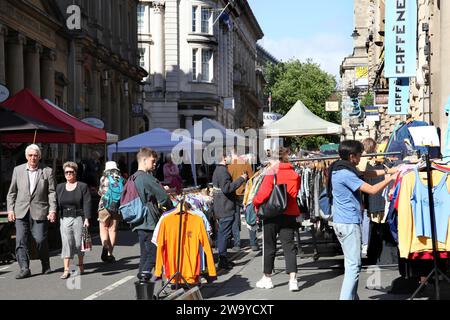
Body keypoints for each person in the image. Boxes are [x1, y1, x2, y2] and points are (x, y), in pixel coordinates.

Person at [328, 140, 398, 300]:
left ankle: (352, 297)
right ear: (352, 156)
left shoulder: (339, 168)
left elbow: (366, 174)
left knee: (350, 263)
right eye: (359, 155)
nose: (361, 158)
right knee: (353, 266)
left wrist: (388, 172)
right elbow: (372, 189)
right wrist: (391, 178)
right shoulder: (346, 173)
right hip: (348, 223)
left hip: (341, 221)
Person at [253, 147, 301, 292]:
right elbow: (295, 192)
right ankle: (293, 280)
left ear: (274, 159)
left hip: (272, 214)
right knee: (289, 246)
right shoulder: (295, 174)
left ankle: (267, 278)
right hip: (289, 213)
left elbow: (262, 195)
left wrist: (255, 204)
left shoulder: (271, 173)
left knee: (269, 246)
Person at [6, 144, 57, 279]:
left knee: (40, 239)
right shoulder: (18, 170)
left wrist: (52, 210)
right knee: (21, 240)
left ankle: (45, 264)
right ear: (26, 156)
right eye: (30, 155)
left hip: (40, 210)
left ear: (39, 157)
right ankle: (24, 268)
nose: (33, 158)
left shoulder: (47, 171)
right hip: (21, 210)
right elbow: (11, 192)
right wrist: (10, 209)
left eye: (35, 155)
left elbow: (51, 193)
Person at [132, 148, 174, 278]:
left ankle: (142, 290)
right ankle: (143, 281)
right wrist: (171, 209)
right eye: (153, 161)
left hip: (138, 220)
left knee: (145, 255)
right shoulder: (146, 178)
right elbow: (164, 198)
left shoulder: (133, 177)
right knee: (154, 255)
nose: (155, 163)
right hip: (149, 221)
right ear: (144, 160)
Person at [212, 147, 248, 270]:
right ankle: (222, 259)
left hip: (223, 206)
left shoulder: (220, 170)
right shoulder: (222, 171)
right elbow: (227, 188)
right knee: (224, 234)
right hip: (225, 207)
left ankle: (223, 258)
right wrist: (241, 179)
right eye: (229, 156)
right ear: (224, 157)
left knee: (224, 233)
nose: (232, 159)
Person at [56, 162, 91, 279]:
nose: (69, 174)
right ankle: (66, 269)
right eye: (67, 172)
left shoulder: (82, 186)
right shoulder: (60, 187)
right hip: (64, 218)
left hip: (78, 217)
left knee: (77, 243)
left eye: (71, 172)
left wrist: (87, 218)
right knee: (66, 243)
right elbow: (56, 203)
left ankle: (80, 265)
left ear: (75, 173)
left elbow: (87, 203)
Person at [227, 146, 258, 252]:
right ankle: (253, 243)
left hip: (233, 195)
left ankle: (237, 244)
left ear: (231, 153)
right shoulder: (245, 164)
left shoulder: (229, 166)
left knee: (235, 220)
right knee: (250, 218)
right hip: (246, 195)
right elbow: (252, 179)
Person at [98, 161, 124, 263]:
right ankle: (110, 254)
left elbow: (100, 192)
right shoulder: (121, 178)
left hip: (104, 205)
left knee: (103, 228)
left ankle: (105, 245)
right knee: (112, 230)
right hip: (116, 206)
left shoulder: (104, 178)